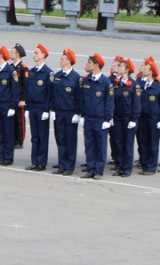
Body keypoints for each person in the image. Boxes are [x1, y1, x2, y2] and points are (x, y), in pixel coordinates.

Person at [79, 53, 114, 179]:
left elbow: (109, 102)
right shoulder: (86, 80)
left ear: (96, 65)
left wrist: (107, 119)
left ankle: (99, 170)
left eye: (90, 62)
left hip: (100, 119)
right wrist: (82, 115)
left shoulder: (106, 83)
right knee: (89, 144)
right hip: (88, 117)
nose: (87, 64)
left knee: (100, 145)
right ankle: (91, 168)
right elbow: (82, 99)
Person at [51, 48, 81, 176]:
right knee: (60, 139)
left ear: (68, 61)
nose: (60, 60)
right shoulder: (57, 76)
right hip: (59, 112)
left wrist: (77, 113)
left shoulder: (76, 78)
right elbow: (52, 95)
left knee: (70, 140)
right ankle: (62, 164)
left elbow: (79, 97)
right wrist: (52, 109)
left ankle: (69, 166)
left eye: (62, 59)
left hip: (70, 113)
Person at [0, 46, 20, 166]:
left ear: (1, 55)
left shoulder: (10, 71)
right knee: (0, 133)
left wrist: (12, 107)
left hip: (6, 105)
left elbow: (15, 91)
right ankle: (0, 156)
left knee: (8, 133)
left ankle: (8, 158)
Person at [25, 44, 54, 171]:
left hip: (42, 108)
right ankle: (35, 161)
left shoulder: (48, 73)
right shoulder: (32, 71)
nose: (34, 55)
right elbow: (28, 90)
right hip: (33, 107)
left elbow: (50, 93)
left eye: (37, 53)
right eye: (34, 52)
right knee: (34, 136)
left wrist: (47, 109)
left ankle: (41, 162)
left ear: (43, 55)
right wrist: (27, 108)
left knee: (42, 136)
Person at [111, 57, 140, 177]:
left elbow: (137, 104)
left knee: (128, 144)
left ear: (127, 70)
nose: (119, 68)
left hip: (128, 118)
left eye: (121, 66)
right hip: (117, 117)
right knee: (118, 143)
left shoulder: (134, 85)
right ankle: (120, 166)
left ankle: (127, 168)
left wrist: (134, 118)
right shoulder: (117, 84)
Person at [11, 43, 29, 149]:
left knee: (19, 120)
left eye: (12, 52)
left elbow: (25, 85)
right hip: (12, 98)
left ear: (17, 54)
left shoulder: (23, 68)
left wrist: (23, 99)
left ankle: (19, 140)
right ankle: (13, 138)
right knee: (12, 120)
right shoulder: (11, 67)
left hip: (19, 98)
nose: (10, 54)